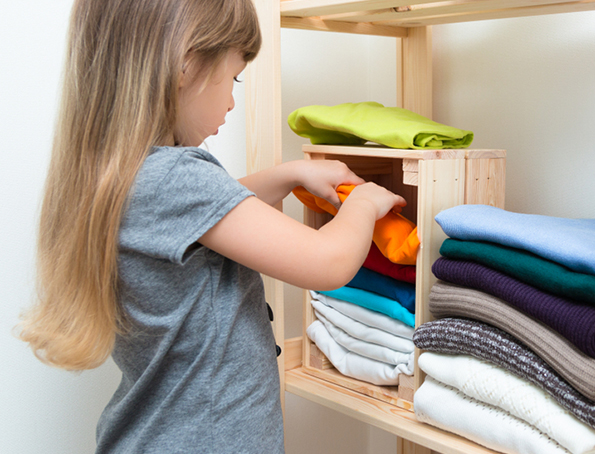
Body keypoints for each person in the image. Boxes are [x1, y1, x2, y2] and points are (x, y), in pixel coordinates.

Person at [16, 0, 405, 452]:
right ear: (185, 65)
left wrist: (286, 176)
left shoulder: (123, 174)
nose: (233, 100)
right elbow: (328, 261)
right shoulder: (178, 177)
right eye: (234, 76)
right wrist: (364, 202)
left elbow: (207, 221)